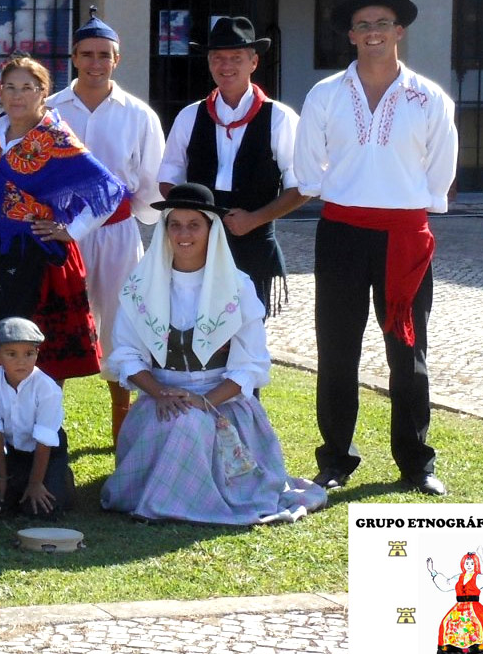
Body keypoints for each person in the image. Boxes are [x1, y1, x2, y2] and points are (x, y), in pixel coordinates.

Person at [296, 0, 458, 496]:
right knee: (337, 349)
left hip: (404, 238)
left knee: (408, 352)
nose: (373, 33)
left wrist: (407, 203)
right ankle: (335, 459)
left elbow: (440, 175)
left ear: (399, 31)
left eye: (382, 23)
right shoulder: (324, 95)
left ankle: (416, 461)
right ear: (351, 35)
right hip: (342, 232)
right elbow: (308, 171)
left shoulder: (429, 98)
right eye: (363, 25)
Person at [99, 183, 327, 526]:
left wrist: (202, 402)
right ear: (164, 229)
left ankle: (175, 499)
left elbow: (251, 363)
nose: (183, 234)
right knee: (182, 422)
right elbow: (126, 354)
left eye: (194, 225)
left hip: (223, 405)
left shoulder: (238, 286)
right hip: (160, 403)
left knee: (191, 424)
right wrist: (162, 393)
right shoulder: (139, 285)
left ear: (211, 230)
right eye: (175, 224)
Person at [0, 56, 129, 383]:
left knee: (35, 351)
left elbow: (109, 190)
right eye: (10, 87)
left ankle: (41, 427)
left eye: (27, 88)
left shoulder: (54, 137)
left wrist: (71, 230)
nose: (17, 95)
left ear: (43, 92)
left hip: (34, 256)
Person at [46, 9, 165, 436]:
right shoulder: (51, 110)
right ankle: (48, 426)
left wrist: (138, 218)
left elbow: (151, 180)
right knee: (57, 319)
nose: (96, 63)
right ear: (74, 58)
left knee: (120, 321)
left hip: (117, 232)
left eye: (104, 55)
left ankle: (122, 420)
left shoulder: (138, 114)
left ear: (117, 59)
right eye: (87, 54)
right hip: (60, 235)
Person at [158, 16, 304, 313]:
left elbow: (302, 186)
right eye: (218, 59)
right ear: (209, 63)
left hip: (254, 241)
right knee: (194, 319)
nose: (226, 67)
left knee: (249, 323)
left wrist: (255, 219)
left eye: (235, 58)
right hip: (199, 243)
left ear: (253, 62)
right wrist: (195, 217)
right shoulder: (190, 116)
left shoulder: (280, 118)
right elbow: (168, 177)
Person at [0, 317, 72, 520]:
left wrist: (36, 483)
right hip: (16, 453)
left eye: (29, 354)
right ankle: (19, 482)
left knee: (41, 510)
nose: (21, 361)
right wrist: (1, 477)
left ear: (37, 354)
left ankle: (61, 477)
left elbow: (44, 439)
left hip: (48, 452)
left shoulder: (47, 388)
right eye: (12, 354)